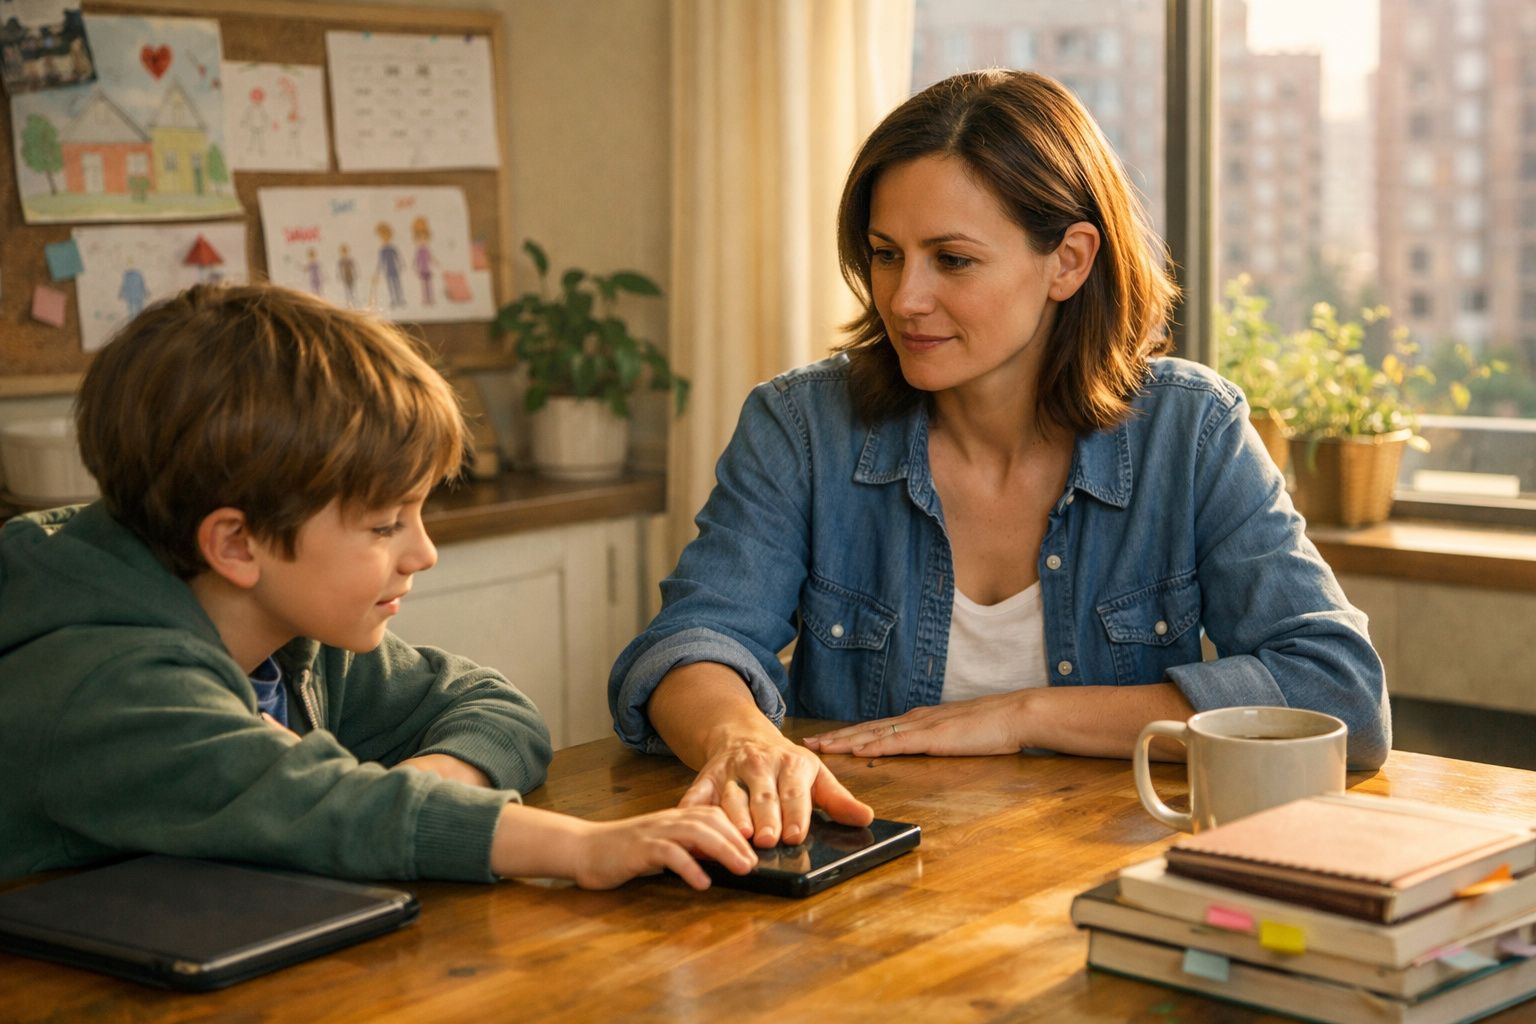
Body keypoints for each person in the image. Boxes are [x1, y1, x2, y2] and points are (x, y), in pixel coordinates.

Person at [608, 70, 1390, 849]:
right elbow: (690, 645)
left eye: (951, 260)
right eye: (886, 255)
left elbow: (1340, 695)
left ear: (1069, 261)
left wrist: (1025, 714)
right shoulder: (802, 424)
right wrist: (739, 737)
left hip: (1109, 875)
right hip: (869, 889)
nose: (905, 298)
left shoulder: (1190, 431)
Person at [0, 283, 754, 890]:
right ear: (235, 543)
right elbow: (323, 809)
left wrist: (432, 782)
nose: (422, 552)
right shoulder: (107, 687)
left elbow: (494, 708)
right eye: (385, 524)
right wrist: (584, 850)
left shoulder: (286, 632)